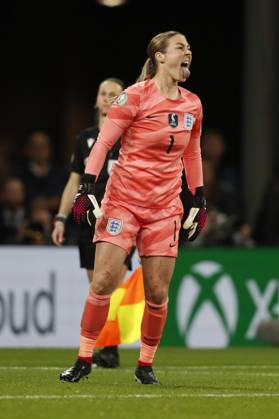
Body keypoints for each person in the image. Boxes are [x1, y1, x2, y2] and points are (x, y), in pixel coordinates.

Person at [60, 30, 207, 384]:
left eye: (189, 48)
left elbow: (192, 152)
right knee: (103, 282)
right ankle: (84, 359)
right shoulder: (133, 98)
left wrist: (199, 197)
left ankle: (145, 365)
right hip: (123, 203)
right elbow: (103, 143)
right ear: (159, 56)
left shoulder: (192, 104)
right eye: (179, 47)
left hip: (165, 208)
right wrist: (87, 185)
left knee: (157, 292)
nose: (187, 52)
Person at [52, 77, 141, 368]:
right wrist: (61, 218)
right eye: (102, 93)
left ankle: (109, 346)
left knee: (113, 282)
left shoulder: (132, 136)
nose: (106, 98)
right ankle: (102, 344)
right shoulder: (85, 139)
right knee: (97, 285)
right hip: (90, 218)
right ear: (96, 100)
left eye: (113, 94)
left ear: (122, 100)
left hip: (122, 217)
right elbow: (74, 181)